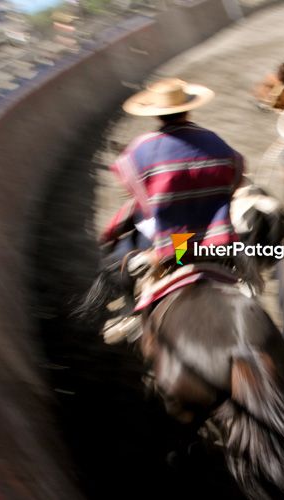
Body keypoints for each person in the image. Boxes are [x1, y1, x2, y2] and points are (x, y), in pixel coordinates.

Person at [95, 78, 246, 340]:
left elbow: (141, 201)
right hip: (219, 242)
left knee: (116, 261)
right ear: (188, 109)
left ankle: (131, 315)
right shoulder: (215, 140)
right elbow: (237, 175)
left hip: (175, 247)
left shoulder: (141, 148)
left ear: (157, 114)